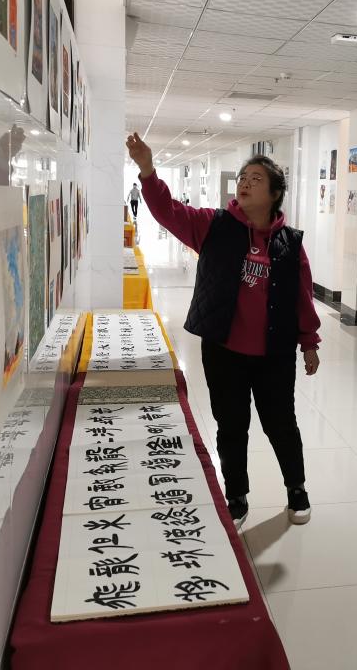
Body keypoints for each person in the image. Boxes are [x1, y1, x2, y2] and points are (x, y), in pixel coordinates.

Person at [125, 132, 321, 530]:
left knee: (281, 424)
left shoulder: (289, 242)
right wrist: (147, 170)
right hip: (224, 349)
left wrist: (309, 343)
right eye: (243, 177)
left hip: (273, 353)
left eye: (256, 179)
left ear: (275, 194)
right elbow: (168, 211)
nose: (245, 183)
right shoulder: (213, 225)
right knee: (231, 425)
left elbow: (302, 296)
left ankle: (296, 488)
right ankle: (236, 495)